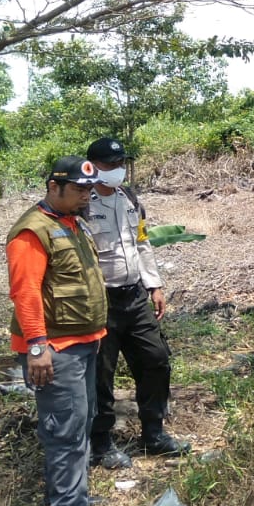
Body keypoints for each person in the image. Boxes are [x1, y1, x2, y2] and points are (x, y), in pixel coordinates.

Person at [7, 156, 107, 506]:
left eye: (88, 189)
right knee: (64, 431)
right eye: (79, 190)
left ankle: (73, 497)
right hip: (55, 349)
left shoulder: (71, 223)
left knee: (82, 422)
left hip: (83, 342)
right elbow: (25, 292)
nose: (86, 195)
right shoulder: (33, 231)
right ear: (53, 187)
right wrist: (36, 347)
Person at [85, 136, 190, 466]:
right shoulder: (82, 204)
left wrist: (154, 285)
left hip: (134, 295)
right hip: (101, 301)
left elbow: (142, 243)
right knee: (101, 372)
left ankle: (154, 432)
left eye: (120, 164)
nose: (117, 170)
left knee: (155, 359)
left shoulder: (128, 198)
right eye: (110, 165)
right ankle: (101, 442)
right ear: (92, 167)